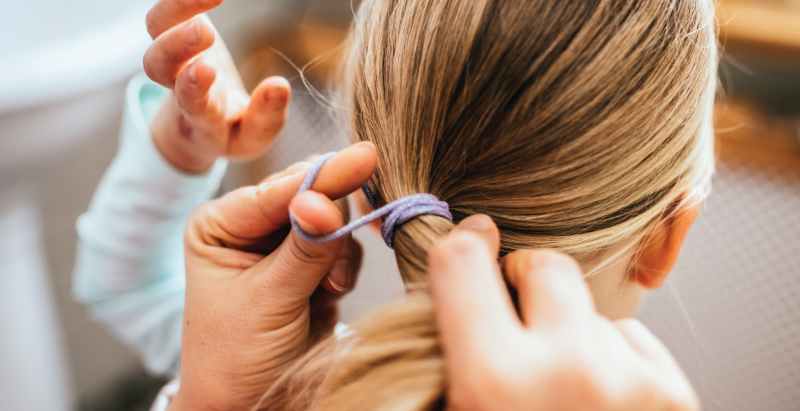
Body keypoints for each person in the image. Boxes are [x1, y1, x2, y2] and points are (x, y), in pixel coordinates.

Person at [71, 0, 717, 409]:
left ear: (369, 181)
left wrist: (185, 152)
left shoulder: (292, 382)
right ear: (667, 238)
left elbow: (125, 282)